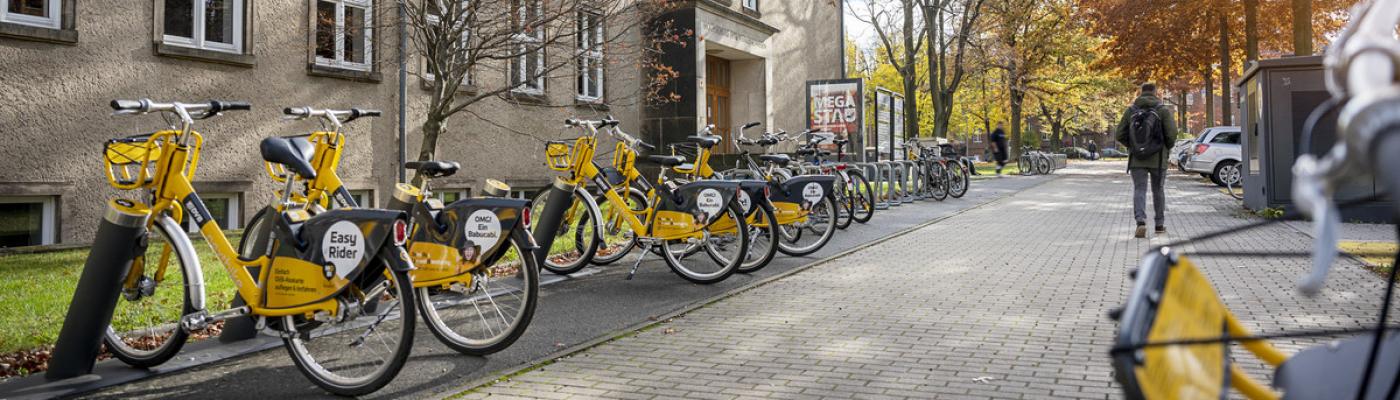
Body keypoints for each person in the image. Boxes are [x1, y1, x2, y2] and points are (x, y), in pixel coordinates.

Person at [1115, 83, 1177, 238]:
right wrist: (1165, 148)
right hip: (1158, 159)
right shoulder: (1162, 110)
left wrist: (1133, 146)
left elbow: (1119, 134)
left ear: (1140, 93)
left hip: (1137, 159)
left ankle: (1141, 222)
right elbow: (1171, 134)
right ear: (1156, 93)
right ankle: (1159, 225)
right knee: (1158, 190)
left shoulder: (1131, 110)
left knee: (1139, 189)